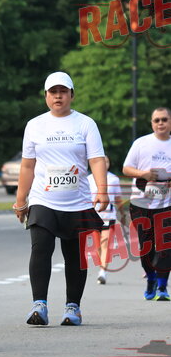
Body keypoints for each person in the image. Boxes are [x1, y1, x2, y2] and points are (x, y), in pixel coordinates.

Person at [14, 72, 109, 326]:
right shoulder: (35, 125)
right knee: (41, 248)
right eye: (53, 92)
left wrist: (102, 190)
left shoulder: (85, 124)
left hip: (77, 201)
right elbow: (27, 166)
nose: (58, 96)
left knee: (75, 255)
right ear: (46, 96)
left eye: (63, 91)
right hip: (43, 199)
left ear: (71, 95)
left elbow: (96, 159)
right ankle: (39, 306)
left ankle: (72, 307)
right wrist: (21, 200)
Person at [122, 106, 171, 301]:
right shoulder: (141, 143)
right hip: (141, 203)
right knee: (146, 246)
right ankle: (151, 278)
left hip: (167, 203)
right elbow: (126, 169)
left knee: (166, 245)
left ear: (170, 122)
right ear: (152, 123)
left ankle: (162, 286)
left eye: (164, 119)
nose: (161, 123)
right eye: (157, 120)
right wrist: (143, 174)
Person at [88, 156, 125, 284]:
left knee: (105, 244)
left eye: (107, 161)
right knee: (97, 245)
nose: (104, 163)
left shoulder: (114, 179)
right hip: (94, 216)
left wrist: (122, 213)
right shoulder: (89, 179)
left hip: (109, 216)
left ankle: (103, 272)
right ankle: (102, 267)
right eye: (102, 161)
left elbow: (118, 199)